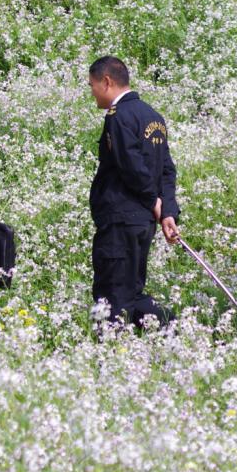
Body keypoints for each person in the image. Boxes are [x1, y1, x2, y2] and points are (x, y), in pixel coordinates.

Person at [88, 55, 180, 328]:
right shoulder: (153, 117)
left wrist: (154, 202)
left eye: (92, 85)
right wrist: (167, 212)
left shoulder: (119, 117)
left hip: (121, 218)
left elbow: (132, 167)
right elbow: (167, 170)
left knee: (111, 292)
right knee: (131, 289)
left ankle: (110, 349)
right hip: (143, 223)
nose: (91, 92)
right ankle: (169, 330)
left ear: (106, 82)